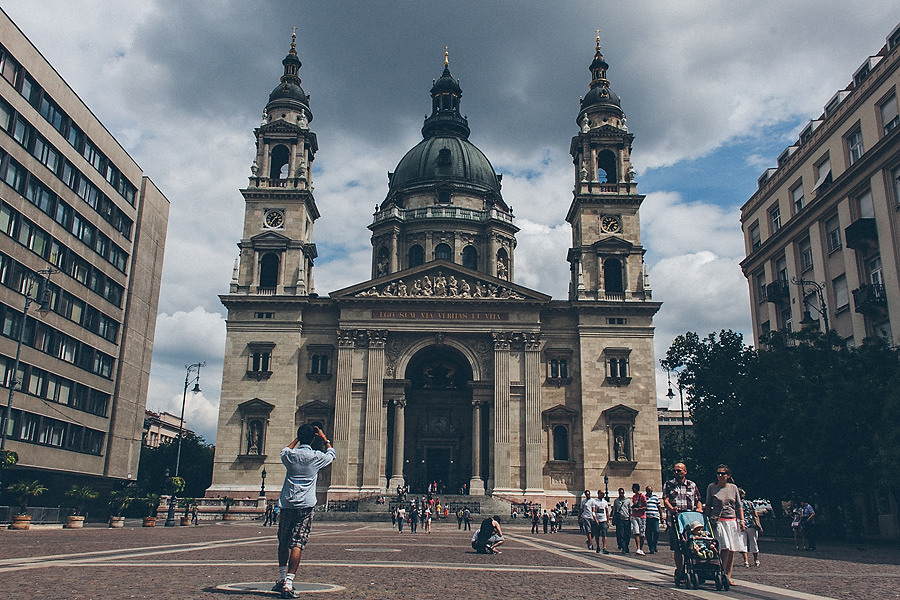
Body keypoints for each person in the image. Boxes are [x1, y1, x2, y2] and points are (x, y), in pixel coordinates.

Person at [274, 424, 335, 599]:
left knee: (283, 541)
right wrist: (324, 438)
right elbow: (332, 453)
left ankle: (281, 578)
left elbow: (284, 450)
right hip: (305, 506)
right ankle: (289, 583)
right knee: (297, 544)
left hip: (287, 505)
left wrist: (297, 439)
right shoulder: (316, 457)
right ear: (313, 439)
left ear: (301, 438)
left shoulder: (290, 456)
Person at [663, 462, 703, 585]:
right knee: (678, 548)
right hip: (676, 521)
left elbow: (698, 500)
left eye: (679, 471)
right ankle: (680, 571)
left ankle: (695, 568)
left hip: (691, 520)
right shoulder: (669, 484)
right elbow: (666, 500)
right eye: (675, 471)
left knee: (693, 545)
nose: (677, 473)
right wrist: (671, 509)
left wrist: (700, 510)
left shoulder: (692, 485)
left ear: (685, 471)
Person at [705, 464, 746, 587]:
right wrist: (705, 520)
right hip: (718, 521)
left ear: (728, 475)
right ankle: (720, 572)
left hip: (731, 521)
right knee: (724, 547)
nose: (720, 475)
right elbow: (707, 504)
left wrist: (742, 520)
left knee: (731, 549)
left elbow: (739, 506)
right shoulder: (712, 488)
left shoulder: (733, 488)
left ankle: (728, 575)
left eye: (723, 473)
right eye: (718, 473)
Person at [739, 488, 762, 567]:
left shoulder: (736, 504)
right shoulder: (749, 503)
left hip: (740, 524)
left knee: (743, 543)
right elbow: (755, 514)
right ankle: (756, 559)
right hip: (751, 524)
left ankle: (746, 561)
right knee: (754, 542)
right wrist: (759, 525)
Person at [613, 488, 632, 553]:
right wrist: (613, 518)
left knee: (627, 534)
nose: (621, 494)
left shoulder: (628, 501)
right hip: (619, 520)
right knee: (620, 534)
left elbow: (630, 510)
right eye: (620, 493)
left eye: (622, 493)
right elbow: (614, 510)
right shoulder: (616, 501)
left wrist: (631, 517)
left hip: (627, 519)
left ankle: (626, 545)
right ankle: (623, 546)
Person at [631, 483, 647, 555]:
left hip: (641, 516)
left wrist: (639, 508)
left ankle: (641, 548)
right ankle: (638, 548)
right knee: (636, 532)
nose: (632, 489)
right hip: (634, 515)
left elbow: (646, 506)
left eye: (633, 488)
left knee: (642, 534)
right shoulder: (634, 496)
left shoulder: (643, 496)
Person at [592, 489, 610, 554]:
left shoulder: (605, 502)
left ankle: (604, 547)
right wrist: (595, 519)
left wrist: (608, 521)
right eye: (601, 493)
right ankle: (598, 546)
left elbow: (607, 512)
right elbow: (593, 511)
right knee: (597, 534)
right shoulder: (594, 501)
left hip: (604, 520)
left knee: (604, 534)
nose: (603, 494)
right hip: (597, 520)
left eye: (603, 493)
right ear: (598, 494)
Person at [645, 485, 660, 554]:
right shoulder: (644, 498)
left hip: (655, 517)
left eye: (651, 491)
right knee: (648, 533)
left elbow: (659, 507)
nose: (650, 492)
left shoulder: (655, 498)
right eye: (649, 490)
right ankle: (651, 547)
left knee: (656, 531)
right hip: (647, 518)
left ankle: (655, 544)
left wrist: (661, 516)